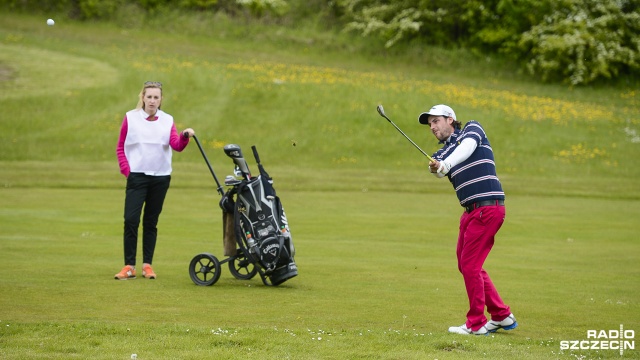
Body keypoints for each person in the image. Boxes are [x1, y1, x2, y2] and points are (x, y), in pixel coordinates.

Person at [418, 104, 517, 335]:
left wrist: (445, 164)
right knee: (466, 265)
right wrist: (437, 167)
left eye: (436, 121)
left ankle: (476, 323)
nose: (433, 127)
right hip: (470, 212)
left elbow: (467, 148)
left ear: (450, 119)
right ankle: (501, 315)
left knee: (471, 265)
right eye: (430, 124)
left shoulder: (472, 129)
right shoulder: (440, 154)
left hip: (488, 208)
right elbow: (439, 170)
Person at [114, 81, 195, 280]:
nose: (152, 100)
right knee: (131, 220)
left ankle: (147, 266)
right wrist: (128, 171)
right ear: (142, 97)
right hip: (137, 177)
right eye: (149, 96)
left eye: (156, 97)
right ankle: (129, 266)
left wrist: (184, 136)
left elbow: (175, 145)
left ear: (161, 99)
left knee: (151, 222)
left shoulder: (168, 120)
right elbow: (120, 147)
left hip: (160, 177)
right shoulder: (130, 118)